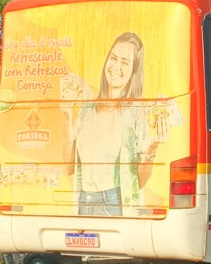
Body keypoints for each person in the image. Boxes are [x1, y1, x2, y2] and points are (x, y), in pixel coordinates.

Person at [64, 32, 168, 216]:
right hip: (83, 202)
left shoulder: (136, 111)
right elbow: (68, 168)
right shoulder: (86, 109)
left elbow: (140, 182)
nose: (116, 67)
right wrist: (66, 116)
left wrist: (153, 147)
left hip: (114, 203)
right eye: (113, 58)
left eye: (125, 62)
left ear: (133, 72)